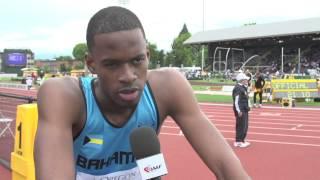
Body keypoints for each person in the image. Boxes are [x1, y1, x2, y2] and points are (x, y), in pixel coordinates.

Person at [34, 6, 250, 180]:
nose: (128, 76)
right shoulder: (65, 96)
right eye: (112, 64)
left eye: (137, 60)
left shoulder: (168, 87)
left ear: (147, 55)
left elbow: (225, 165)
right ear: (91, 64)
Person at [232, 73, 250, 148]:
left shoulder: (242, 87)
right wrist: (238, 111)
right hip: (241, 109)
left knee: (245, 125)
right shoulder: (238, 88)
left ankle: (242, 140)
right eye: (246, 79)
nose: (247, 80)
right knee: (241, 125)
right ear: (242, 80)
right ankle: (238, 141)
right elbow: (236, 101)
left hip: (244, 109)